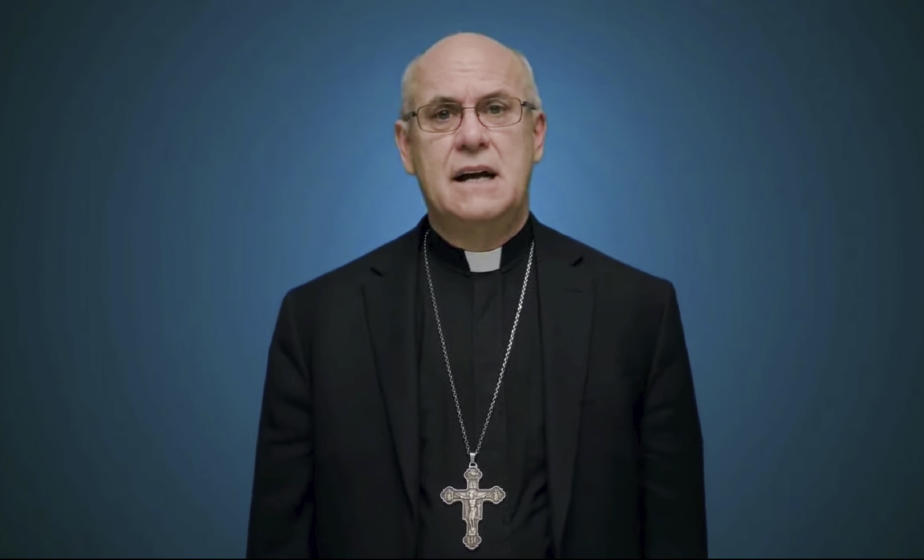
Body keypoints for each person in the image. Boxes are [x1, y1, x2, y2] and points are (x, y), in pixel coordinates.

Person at [246, 32, 707, 558]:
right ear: (405, 147)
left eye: (495, 108)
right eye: (442, 114)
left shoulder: (639, 311)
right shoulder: (318, 322)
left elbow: (677, 539)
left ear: (536, 134)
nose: (471, 136)